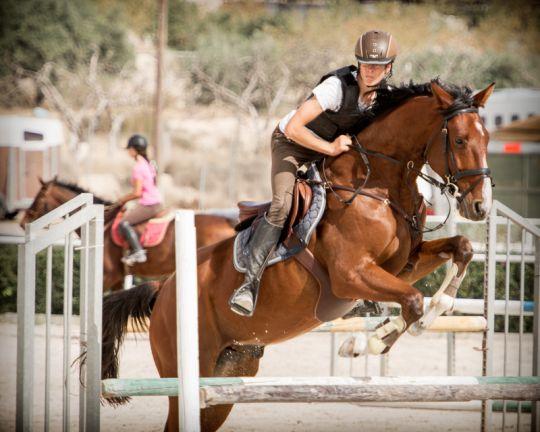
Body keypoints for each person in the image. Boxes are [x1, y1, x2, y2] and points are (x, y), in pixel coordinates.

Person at [229, 30, 399, 317]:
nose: (370, 72)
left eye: (377, 67)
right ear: (357, 63)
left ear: (389, 68)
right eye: (365, 65)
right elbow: (295, 127)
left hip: (328, 149)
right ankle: (249, 285)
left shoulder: (385, 97)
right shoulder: (335, 87)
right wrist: (331, 149)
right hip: (291, 145)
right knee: (282, 205)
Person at [117, 134, 162, 265]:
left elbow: (137, 193)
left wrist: (122, 200)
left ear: (134, 149)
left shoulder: (138, 167)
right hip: (156, 200)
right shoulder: (149, 163)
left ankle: (138, 252)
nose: (128, 151)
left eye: (129, 149)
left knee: (123, 223)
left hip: (149, 204)